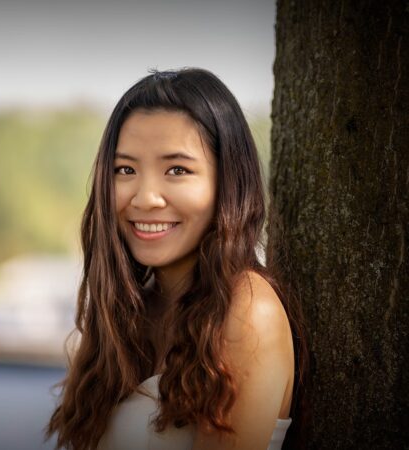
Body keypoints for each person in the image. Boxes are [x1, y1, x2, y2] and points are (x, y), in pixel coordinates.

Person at [46, 68, 307, 450]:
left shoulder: (248, 309)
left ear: (227, 183)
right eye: (126, 169)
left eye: (177, 170)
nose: (146, 197)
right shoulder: (129, 311)